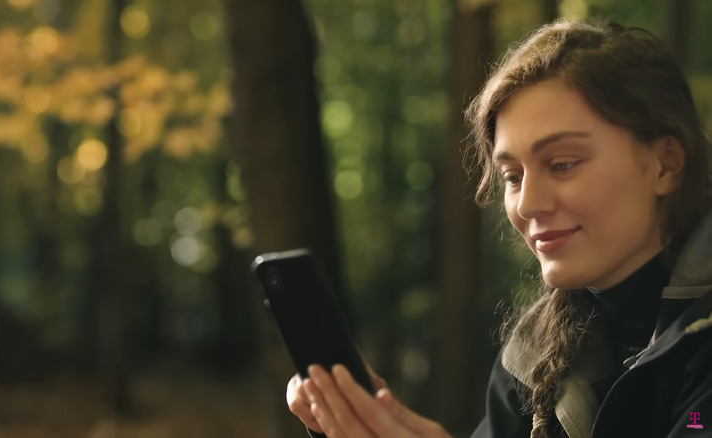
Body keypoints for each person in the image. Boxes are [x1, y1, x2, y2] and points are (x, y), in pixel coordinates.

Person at [285, 19, 712, 438]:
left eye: (562, 164)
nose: (527, 203)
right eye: (512, 176)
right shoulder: (535, 356)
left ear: (665, 163)